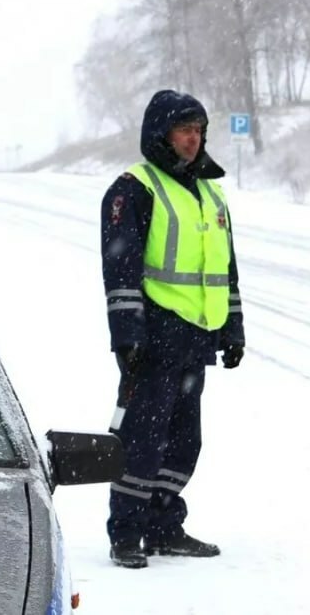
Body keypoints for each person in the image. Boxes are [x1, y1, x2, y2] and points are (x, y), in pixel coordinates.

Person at [100, 89, 246, 569]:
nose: (193, 138)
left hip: (196, 337)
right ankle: (126, 533)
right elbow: (119, 269)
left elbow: (224, 267)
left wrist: (233, 327)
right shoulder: (134, 188)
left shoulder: (210, 192)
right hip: (155, 338)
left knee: (185, 441)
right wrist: (128, 337)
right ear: (161, 134)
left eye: (199, 130)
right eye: (185, 129)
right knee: (142, 439)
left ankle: (165, 527)